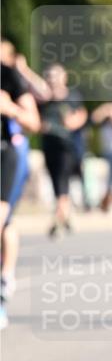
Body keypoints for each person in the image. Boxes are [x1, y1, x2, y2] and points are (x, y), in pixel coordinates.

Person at [1, 45, 40, 328]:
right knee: (6, 226)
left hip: (5, 155)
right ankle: (7, 275)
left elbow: (33, 122)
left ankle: (2, 291)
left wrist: (10, 109)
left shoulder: (9, 76)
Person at [39, 64, 88, 238]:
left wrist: (70, 121)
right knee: (57, 184)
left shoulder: (72, 96)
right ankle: (66, 216)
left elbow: (80, 117)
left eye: (56, 76)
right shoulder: (43, 100)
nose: (52, 80)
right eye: (49, 76)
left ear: (64, 77)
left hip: (67, 147)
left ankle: (57, 220)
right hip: (49, 146)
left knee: (62, 182)